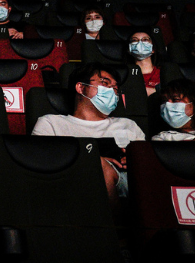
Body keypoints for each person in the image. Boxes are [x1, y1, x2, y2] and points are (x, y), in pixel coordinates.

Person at [32, 64, 145, 204]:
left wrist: (135, 160)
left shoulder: (128, 125)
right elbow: (41, 164)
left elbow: (148, 165)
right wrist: (93, 161)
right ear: (81, 87)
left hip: (125, 182)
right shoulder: (50, 123)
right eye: (105, 83)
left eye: (115, 88)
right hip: (70, 184)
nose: (112, 91)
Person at [125, 28, 161, 95]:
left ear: (153, 49)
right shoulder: (125, 74)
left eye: (145, 40)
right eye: (135, 40)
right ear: (129, 49)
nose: (140, 43)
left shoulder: (163, 72)